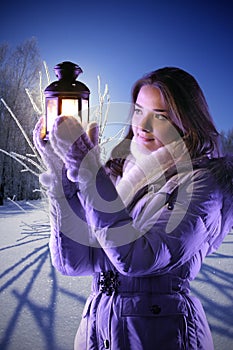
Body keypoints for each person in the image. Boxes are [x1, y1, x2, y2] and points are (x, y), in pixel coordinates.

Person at [33, 67, 233, 350]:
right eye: (139, 111)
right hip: (99, 330)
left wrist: (89, 170)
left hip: (162, 335)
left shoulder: (202, 184)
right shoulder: (117, 177)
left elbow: (139, 259)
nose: (143, 125)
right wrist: (59, 167)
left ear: (188, 122)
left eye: (160, 116)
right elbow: (73, 261)